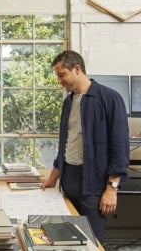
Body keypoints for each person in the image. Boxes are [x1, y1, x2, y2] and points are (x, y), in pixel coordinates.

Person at [41, 50, 129, 243]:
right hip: (68, 179)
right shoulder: (68, 102)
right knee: (67, 239)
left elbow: (119, 147)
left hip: (94, 185)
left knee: (91, 241)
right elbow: (65, 144)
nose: (59, 80)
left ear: (77, 69)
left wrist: (111, 189)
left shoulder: (110, 98)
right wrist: (52, 179)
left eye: (62, 74)